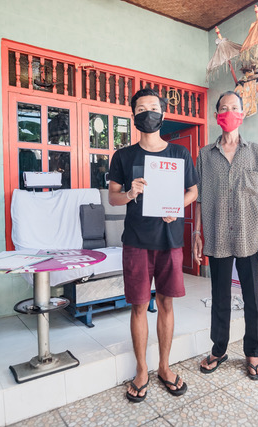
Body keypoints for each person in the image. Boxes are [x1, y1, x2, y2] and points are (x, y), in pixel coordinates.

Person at [108, 88, 199, 402]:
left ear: (162, 113)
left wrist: (177, 206)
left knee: (166, 304)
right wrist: (130, 193)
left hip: (169, 241)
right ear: (134, 116)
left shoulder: (179, 154)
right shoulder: (123, 156)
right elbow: (113, 198)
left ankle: (164, 366)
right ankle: (142, 369)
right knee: (138, 306)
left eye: (153, 107)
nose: (147, 113)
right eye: (140, 108)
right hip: (136, 241)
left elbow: (192, 191)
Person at [193, 91, 258, 381]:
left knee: (252, 297)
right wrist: (197, 232)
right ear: (217, 115)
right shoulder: (205, 156)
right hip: (217, 235)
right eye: (223, 108)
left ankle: (253, 352)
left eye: (234, 107)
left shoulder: (257, 153)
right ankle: (219, 349)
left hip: (249, 234)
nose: (229, 112)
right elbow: (199, 198)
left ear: (242, 113)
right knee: (219, 296)